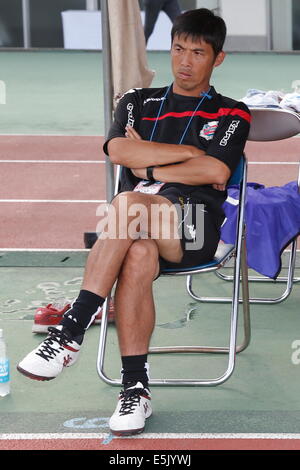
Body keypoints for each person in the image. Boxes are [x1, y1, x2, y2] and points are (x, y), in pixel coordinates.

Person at [17, 8, 251, 436]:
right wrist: (189, 157)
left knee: (126, 203)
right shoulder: (136, 100)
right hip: (134, 232)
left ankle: (71, 331)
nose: (184, 62)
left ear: (217, 58)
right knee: (137, 253)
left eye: (197, 53)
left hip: (192, 224)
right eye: (178, 49)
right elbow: (119, 152)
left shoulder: (232, 114)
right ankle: (135, 387)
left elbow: (216, 174)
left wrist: (152, 167)